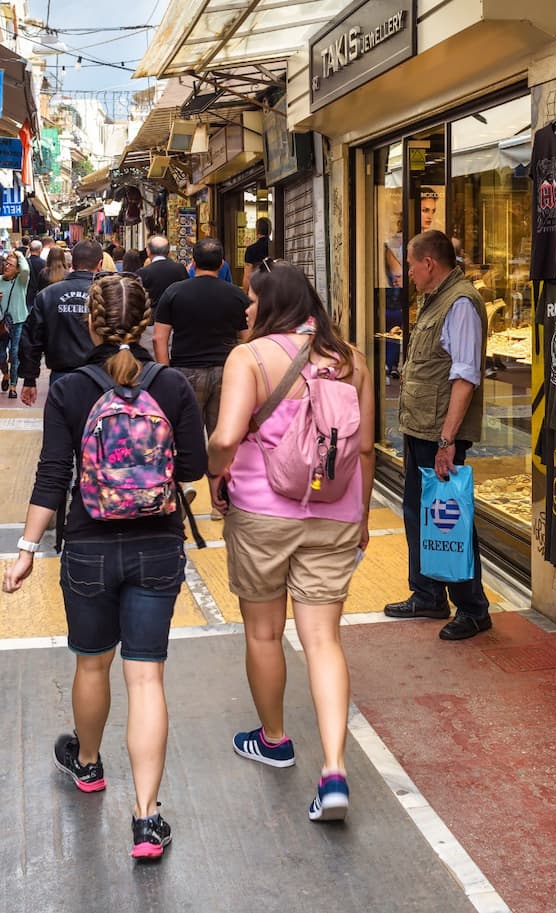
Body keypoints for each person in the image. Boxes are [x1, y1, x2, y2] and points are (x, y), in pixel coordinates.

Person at [2, 274, 207, 863]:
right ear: (144, 324)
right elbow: (192, 467)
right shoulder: (170, 384)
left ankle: (88, 764)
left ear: (90, 323)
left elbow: (52, 474)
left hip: (88, 546)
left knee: (92, 663)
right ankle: (146, 819)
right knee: (146, 679)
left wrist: (26, 549)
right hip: (157, 546)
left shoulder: (69, 389)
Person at [206, 265, 374, 824]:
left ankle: (274, 740)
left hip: (261, 512)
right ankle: (334, 771)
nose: (246, 309)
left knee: (263, 631)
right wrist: (362, 517)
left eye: (252, 299)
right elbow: (365, 449)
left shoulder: (249, 357)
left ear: (272, 304)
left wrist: (212, 470)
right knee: (323, 640)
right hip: (336, 512)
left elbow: (226, 436)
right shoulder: (352, 361)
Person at [382, 229, 492, 640]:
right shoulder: (435, 298)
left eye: (411, 265)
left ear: (429, 263)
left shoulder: (460, 303)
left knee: (449, 518)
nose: (408, 273)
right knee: (419, 513)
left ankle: (473, 608)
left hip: (439, 433)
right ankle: (428, 594)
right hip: (421, 427)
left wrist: (447, 441)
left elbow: (465, 377)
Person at [153, 238, 249, 434]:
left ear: (193, 262)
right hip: (226, 371)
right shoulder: (237, 295)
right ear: (221, 264)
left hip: (185, 371)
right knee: (222, 435)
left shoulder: (174, 292)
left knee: (187, 436)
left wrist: (166, 374)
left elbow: (159, 338)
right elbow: (249, 338)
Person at [17, 240, 102, 407]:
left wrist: (29, 379)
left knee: (62, 420)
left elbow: (32, 339)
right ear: (99, 264)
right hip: (99, 377)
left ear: (73, 263)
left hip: (61, 376)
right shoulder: (107, 295)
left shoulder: (48, 295)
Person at [0, 250, 33, 398]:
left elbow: (26, 269)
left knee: (15, 353)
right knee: (0, 355)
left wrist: (19, 254)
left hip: (18, 321)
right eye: (6, 263)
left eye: (11, 265)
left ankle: (13, 386)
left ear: (17, 269)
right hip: (0, 323)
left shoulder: (21, 280)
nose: (7, 266)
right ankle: (6, 374)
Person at [136, 235, 190, 302]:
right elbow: (187, 291)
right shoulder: (180, 269)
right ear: (168, 252)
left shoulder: (142, 272)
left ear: (148, 251)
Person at [243, 216, 273, 287]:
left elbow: (247, 276)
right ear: (270, 231)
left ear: (257, 231)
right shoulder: (275, 247)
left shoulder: (251, 249)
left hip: (257, 287)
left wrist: (245, 291)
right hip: (274, 287)